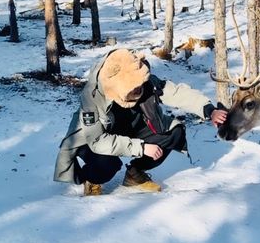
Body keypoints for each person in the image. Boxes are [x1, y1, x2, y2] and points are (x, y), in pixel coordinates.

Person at [54, 48, 227, 195]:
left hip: (130, 129)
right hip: (97, 141)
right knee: (108, 164)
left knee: (174, 132)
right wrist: (142, 148)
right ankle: (92, 180)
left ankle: (134, 174)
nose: (138, 91)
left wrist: (208, 110)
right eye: (133, 90)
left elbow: (175, 93)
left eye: (139, 87)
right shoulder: (92, 97)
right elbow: (97, 141)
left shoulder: (140, 78)